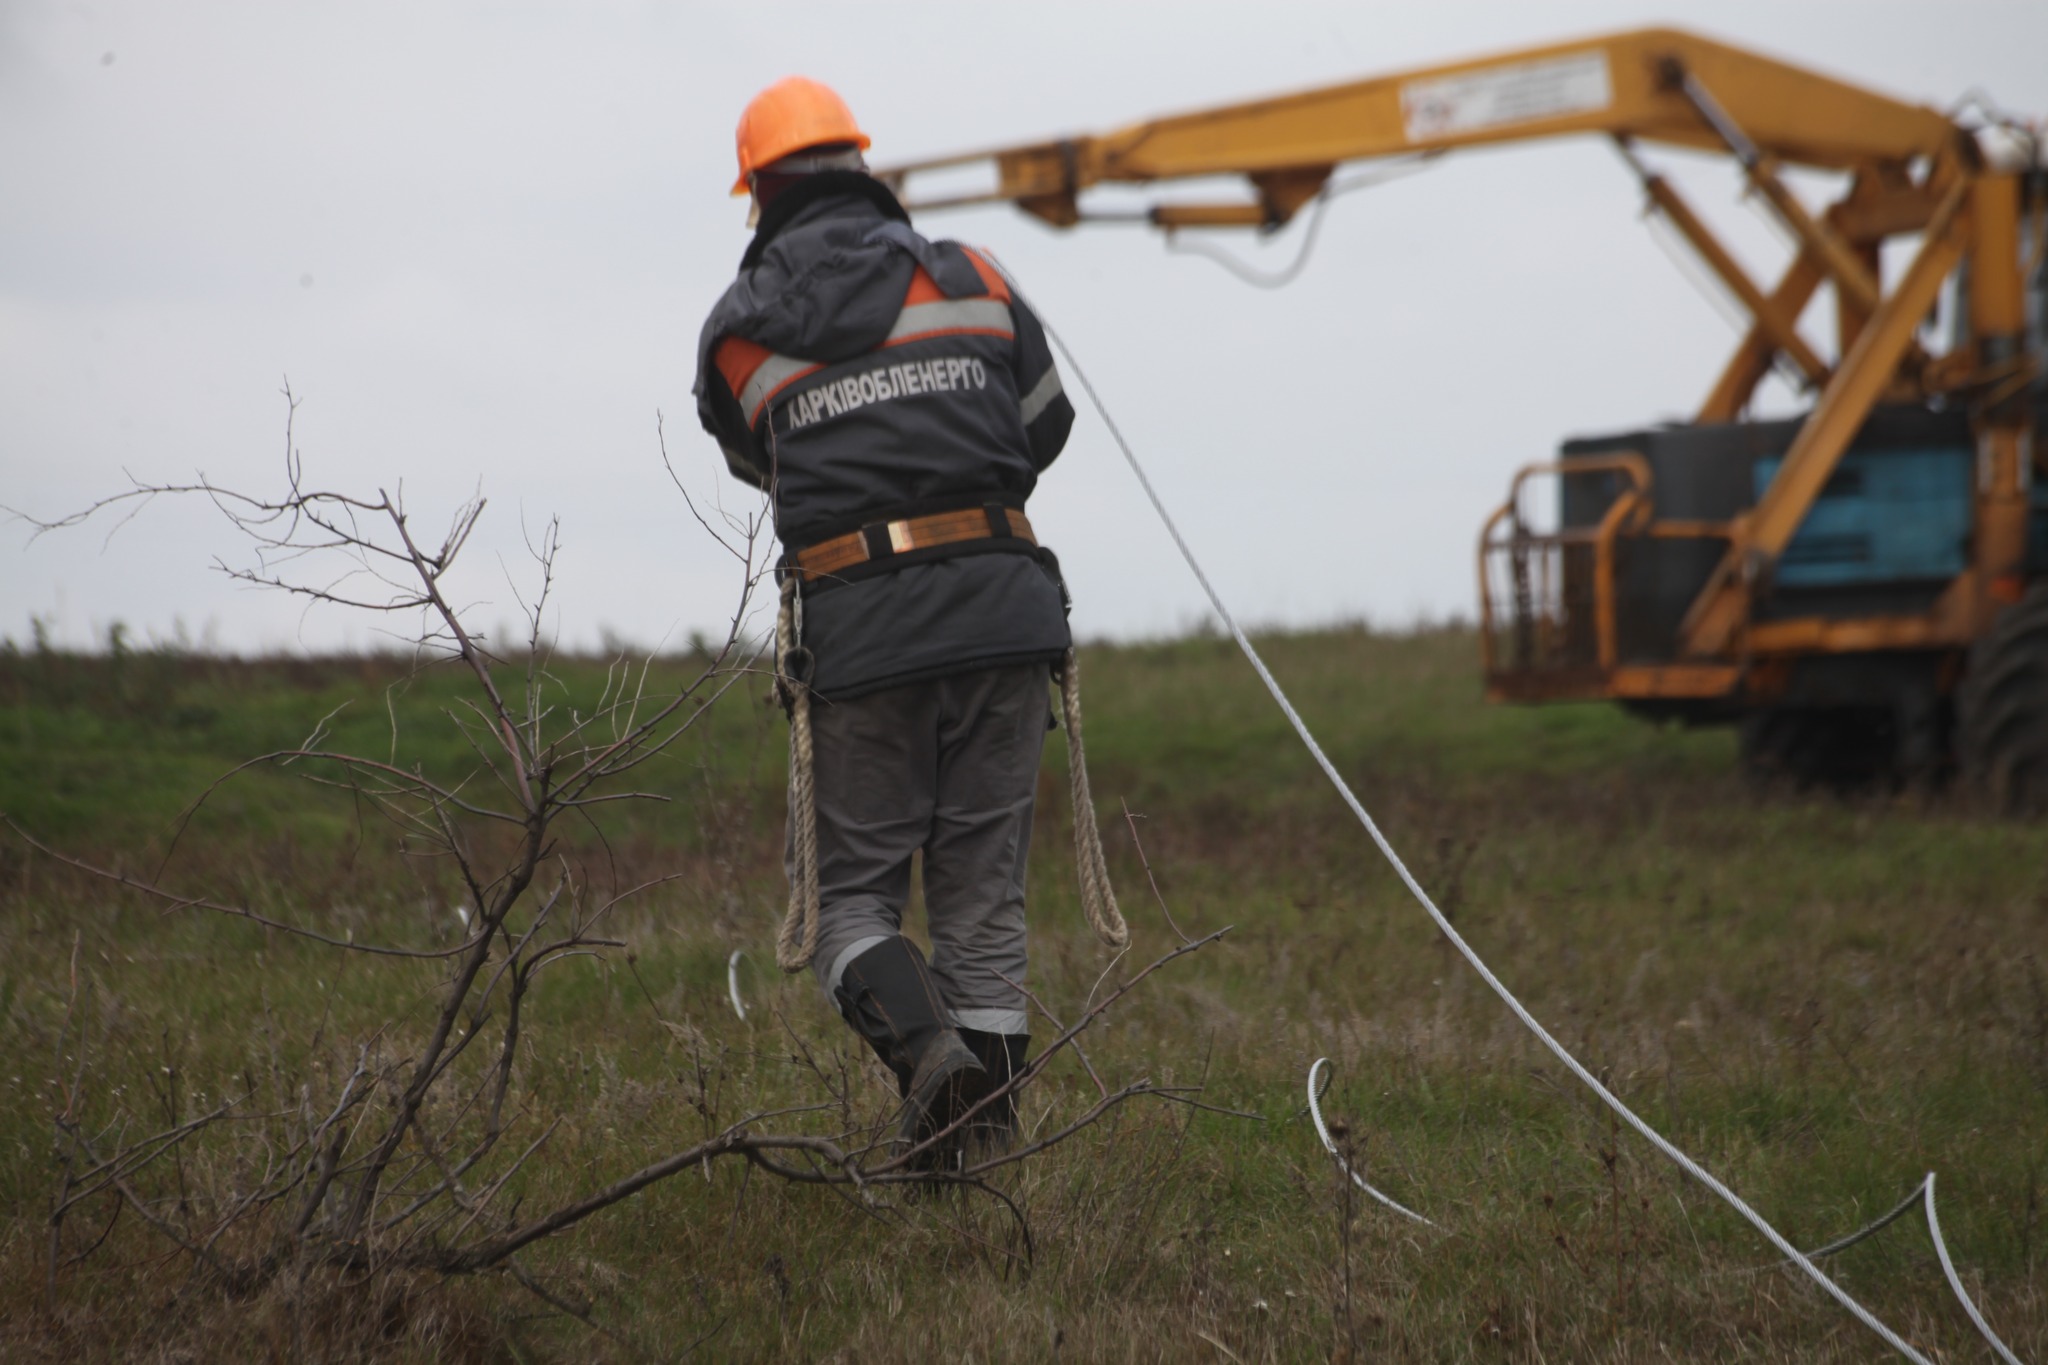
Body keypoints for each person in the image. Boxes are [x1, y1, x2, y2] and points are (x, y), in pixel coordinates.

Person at [693, 76, 1080, 1154]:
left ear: (757, 191)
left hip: (859, 637)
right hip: (1005, 614)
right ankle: (980, 1161)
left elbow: (759, 465)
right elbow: (1043, 429)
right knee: (982, 908)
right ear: (864, 165)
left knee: (842, 906)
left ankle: (926, 1066)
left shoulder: (736, 330)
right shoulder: (974, 277)